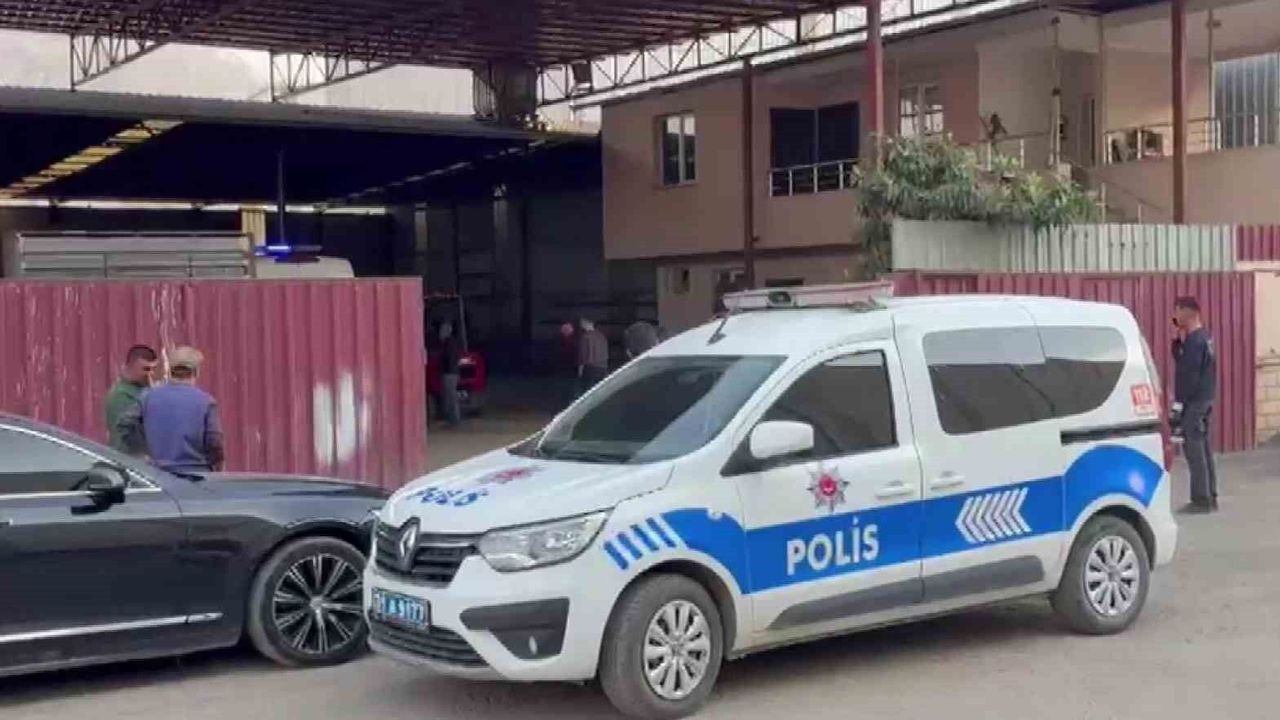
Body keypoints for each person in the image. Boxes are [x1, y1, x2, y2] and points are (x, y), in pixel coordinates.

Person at [122, 346, 225, 473]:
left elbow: (125, 424)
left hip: (158, 474)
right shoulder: (206, 401)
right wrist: (217, 467)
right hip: (197, 474)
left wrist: (141, 453)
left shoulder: (148, 396)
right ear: (196, 371)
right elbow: (214, 442)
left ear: (170, 370)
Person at [1172, 296, 1218, 514]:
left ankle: (1201, 499)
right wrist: (1177, 342)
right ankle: (1210, 495)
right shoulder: (1203, 338)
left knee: (1194, 450)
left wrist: (1179, 404)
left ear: (1187, 312)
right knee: (1203, 447)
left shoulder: (1195, 341)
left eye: (1177, 311)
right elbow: (1185, 364)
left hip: (1195, 402)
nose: (1175, 316)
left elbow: (1188, 376)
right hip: (1205, 398)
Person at [104, 344, 158, 456]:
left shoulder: (145, 390)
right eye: (146, 369)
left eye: (154, 369)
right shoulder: (121, 395)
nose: (151, 374)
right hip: (128, 458)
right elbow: (123, 438)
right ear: (130, 367)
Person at [438, 321, 463, 427]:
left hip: (449, 373)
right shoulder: (451, 342)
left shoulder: (448, 344)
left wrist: (446, 370)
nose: (440, 333)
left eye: (442, 330)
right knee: (451, 397)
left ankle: (454, 420)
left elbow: (450, 358)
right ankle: (453, 419)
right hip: (452, 372)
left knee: (450, 397)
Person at [577, 318, 609, 395]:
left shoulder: (585, 337)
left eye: (582, 323)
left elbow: (583, 355)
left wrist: (580, 370)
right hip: (602, 368)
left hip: (590, 369)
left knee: (587, 393)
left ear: (586, 323)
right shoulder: (601, 336)